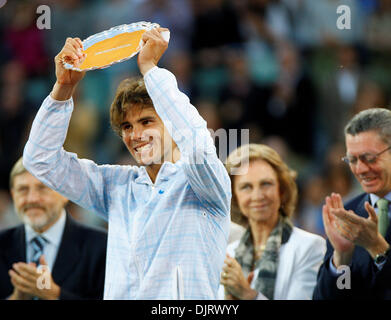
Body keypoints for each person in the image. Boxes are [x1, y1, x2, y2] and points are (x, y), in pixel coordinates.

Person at [23, 28, 231, 299]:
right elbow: (40, 160)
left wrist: (150, 70)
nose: (135, 135)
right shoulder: (117, 186)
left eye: (147, 122)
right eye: (126, 126)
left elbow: (198, 145)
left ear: (172, 123)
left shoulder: (204, 185)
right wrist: (63, 88)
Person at [219, 144, 326, 300]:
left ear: (281, 191)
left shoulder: (310, 247)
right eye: (246, 187)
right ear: (235, 197)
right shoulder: (228, 253)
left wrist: (247, 294)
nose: (258, 196)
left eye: (266, 184)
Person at [0, 157, 107, 300]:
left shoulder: (101, 246)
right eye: (23, 190)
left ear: (66, 193)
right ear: (13, 195)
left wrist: (55, 295)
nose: (32, 199)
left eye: (42, 188)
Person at [314, 108, 391, 299]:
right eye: (353, 160)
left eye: (370, 158)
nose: (361, 169)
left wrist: (378, 249)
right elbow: (334, 296)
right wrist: (341, 259)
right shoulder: (349, 214)